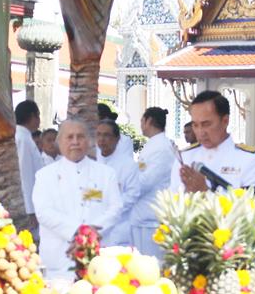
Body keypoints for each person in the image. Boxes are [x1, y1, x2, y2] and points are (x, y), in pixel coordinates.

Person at [33, 120, 122, 280]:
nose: (75, 142)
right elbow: (43, 212)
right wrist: (80, 233)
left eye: (80, 137)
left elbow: (115, 209)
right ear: (59, 142)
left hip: (98, 257)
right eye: (69, 137)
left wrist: (89, 237)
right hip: (59, 257)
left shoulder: (106, 174)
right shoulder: (45, 175)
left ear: (89, 141)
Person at [169, 90, 255, 194]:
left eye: (206, 124)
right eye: (195, 125)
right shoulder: (185, 157)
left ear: (225, 121)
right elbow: (173, 200)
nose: (200, 132)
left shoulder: (250, 159)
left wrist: (205, 192)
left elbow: (253, 206)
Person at [130, 107, 175, 258]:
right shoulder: (154, 144)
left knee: (151, 265)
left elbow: (146, 181)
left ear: (148, 121)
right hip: (143, 214)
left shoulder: (161, 148)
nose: (141, 125)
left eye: (142, 121)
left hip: (152, 216)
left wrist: (125, 186)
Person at [96, 120, 139, 246]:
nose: (102, 139)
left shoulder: (128, 165)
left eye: (106, 135)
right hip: (94, 227)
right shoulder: (91, 162)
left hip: (119, 229)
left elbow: (133, 195)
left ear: (117, 139)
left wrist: (111, 206)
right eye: (98, 134)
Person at [14, 101, 43, 221]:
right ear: (32, 116)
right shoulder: (22, 139)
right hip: (27, 205)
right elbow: (25, 175)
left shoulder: (24, 136)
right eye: (38, 115)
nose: (39, 120)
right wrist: (30, 209)